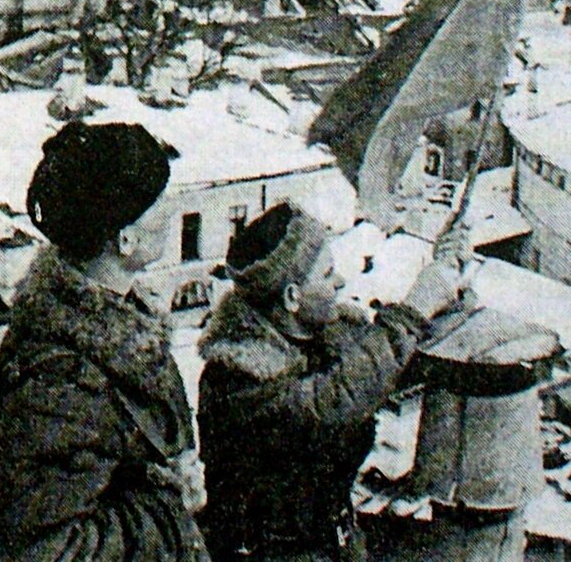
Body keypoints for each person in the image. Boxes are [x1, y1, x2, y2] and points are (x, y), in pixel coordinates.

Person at [0, 121, 207, 562]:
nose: (171, 206)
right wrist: (166, 510)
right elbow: (44, 549)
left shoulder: (120, 321)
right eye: (157, 200)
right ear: (126, 239)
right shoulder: (63, 382)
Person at [197, 203, 464, 562]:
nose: (339, 281)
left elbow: (390, 366)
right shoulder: (237, 379)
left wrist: (445, 273)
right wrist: (414, 309)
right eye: (326, 274)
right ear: (292, 297)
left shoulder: (326, 335)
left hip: (335, 543)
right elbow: (334, 398)